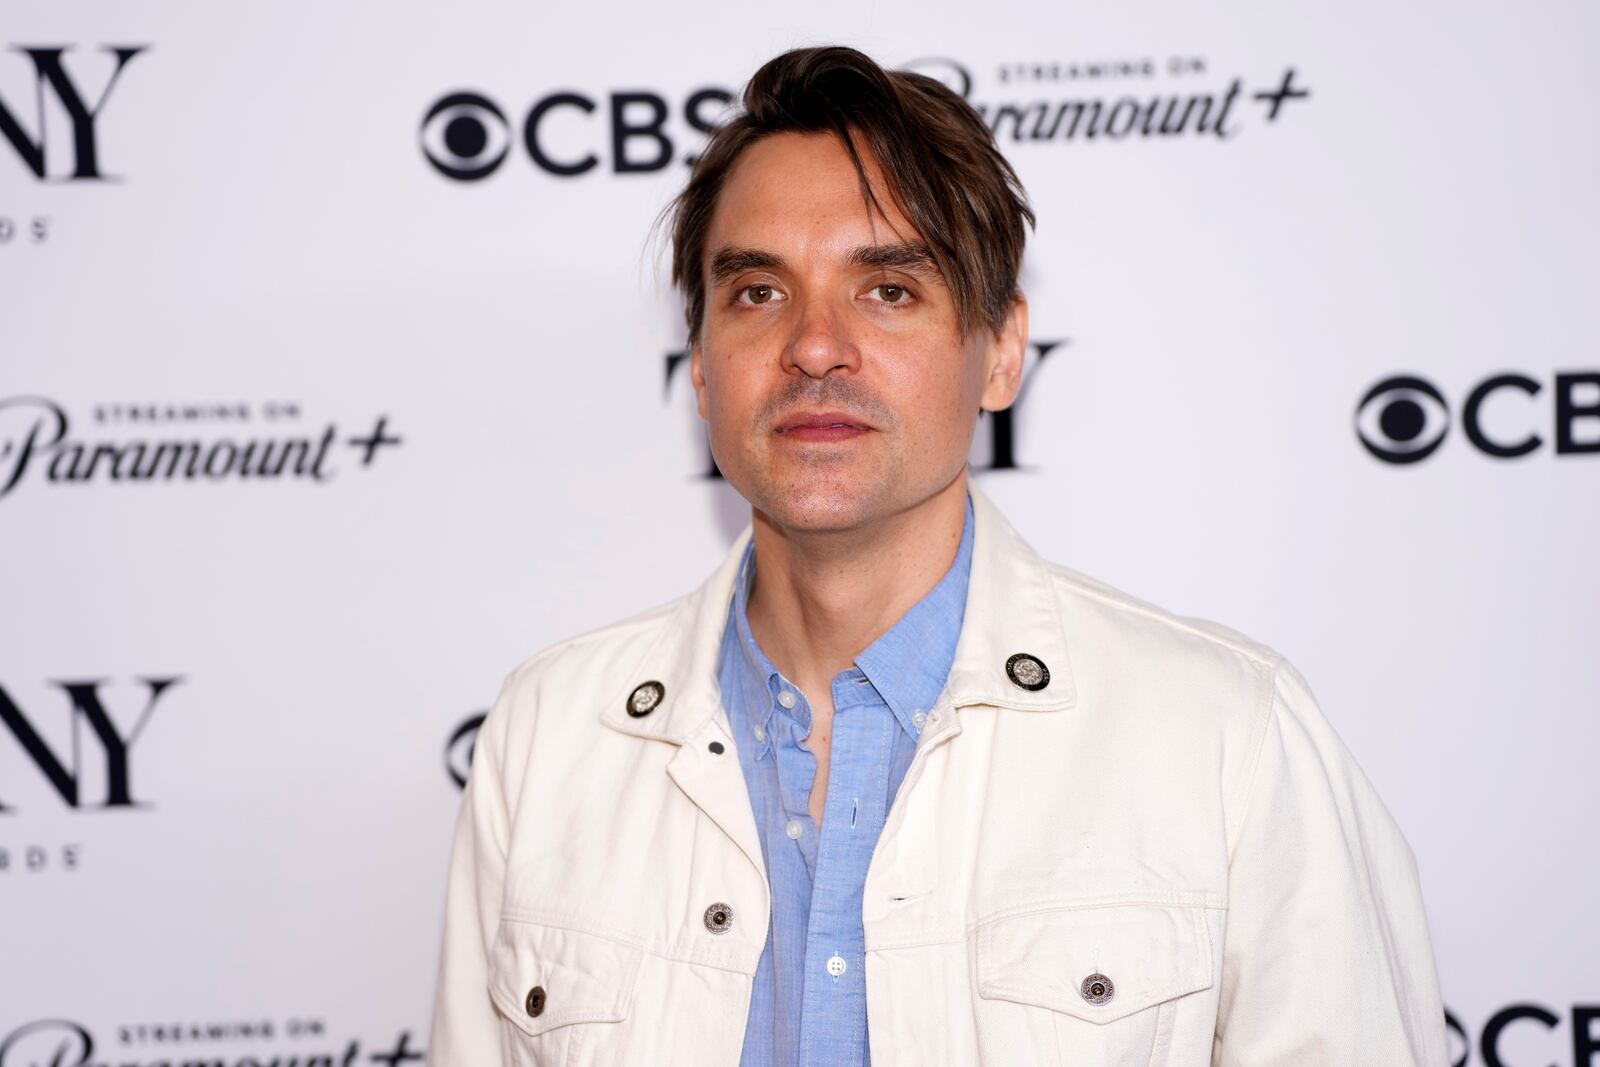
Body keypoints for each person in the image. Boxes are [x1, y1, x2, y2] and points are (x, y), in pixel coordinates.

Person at [426, 45, 1447, 1066]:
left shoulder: (1228, 735)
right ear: (698, 366)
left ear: (1001, 350)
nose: (814, 346)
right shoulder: (552, 736)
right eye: (756, 292)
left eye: (887, 290)